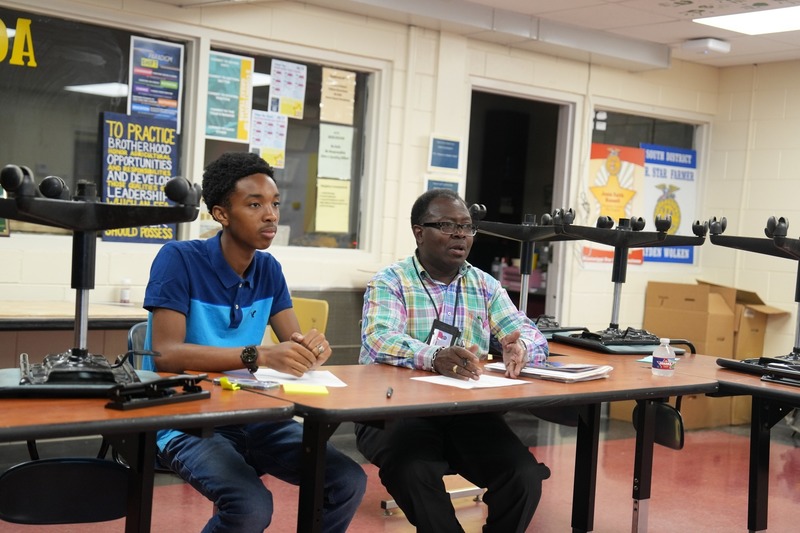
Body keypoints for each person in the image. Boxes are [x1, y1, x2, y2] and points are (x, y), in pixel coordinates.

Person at [142, 151, 366, 533]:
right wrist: (258, 354)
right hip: (185, 420)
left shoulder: (268, 269)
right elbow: (165, 355)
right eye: (255, 204)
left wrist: (311, 351)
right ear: (221, 214)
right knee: (249, 506)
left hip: (252, 412)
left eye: (275, 204)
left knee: (346, 480)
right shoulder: (178, 259)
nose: (271, 215)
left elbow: (294, 342)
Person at [355, 188, 551, 533]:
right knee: (414, 472)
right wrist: (434, 357)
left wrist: (521, 348)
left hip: (465, 415)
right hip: (397, 414)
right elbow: (378, 339)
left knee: (523, 476)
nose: (461, 234)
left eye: (467, 227)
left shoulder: (484, 285)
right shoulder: (391, 281)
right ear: (419, 232)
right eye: (447, 225)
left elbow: (528, 332)